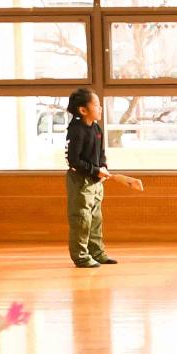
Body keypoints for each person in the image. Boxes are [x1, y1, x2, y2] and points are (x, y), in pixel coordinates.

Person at [63, 87, 144, 268]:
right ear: (83, 110)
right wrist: (94, 170)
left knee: (95, 218)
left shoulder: (96, 128)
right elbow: (73, 160)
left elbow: (101, 153)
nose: (100, 108)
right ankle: (81, 257)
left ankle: (97, 253)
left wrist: (103, 167)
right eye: (96, 105)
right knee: (82, 219)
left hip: (96, 181)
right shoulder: (76, 130)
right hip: (80, 181)